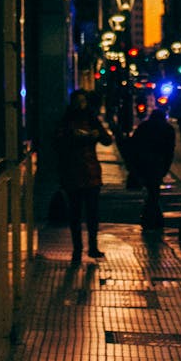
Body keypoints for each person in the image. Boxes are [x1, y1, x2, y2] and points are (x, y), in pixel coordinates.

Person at [53, 89, 114, 264]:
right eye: (78, 102)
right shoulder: (66, 123)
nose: (81, 105)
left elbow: (107, 140)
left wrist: (98, 133)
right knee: (75, 214)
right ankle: (78, 248)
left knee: (92, 213)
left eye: (83, 102)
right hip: (73, 173)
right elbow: (58, 142)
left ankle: (92, 247)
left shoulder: (91, 120)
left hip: (90, 172)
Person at [127, 105, 176, 229]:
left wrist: (134, 165)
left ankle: (152, 218)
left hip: (143, 163)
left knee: (151, 192)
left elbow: (134, 146)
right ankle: (153, 218)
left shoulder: (143, 127)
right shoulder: (168, 129)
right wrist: (165, 168)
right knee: (154, 192)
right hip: (157, 164)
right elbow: (169, 151)